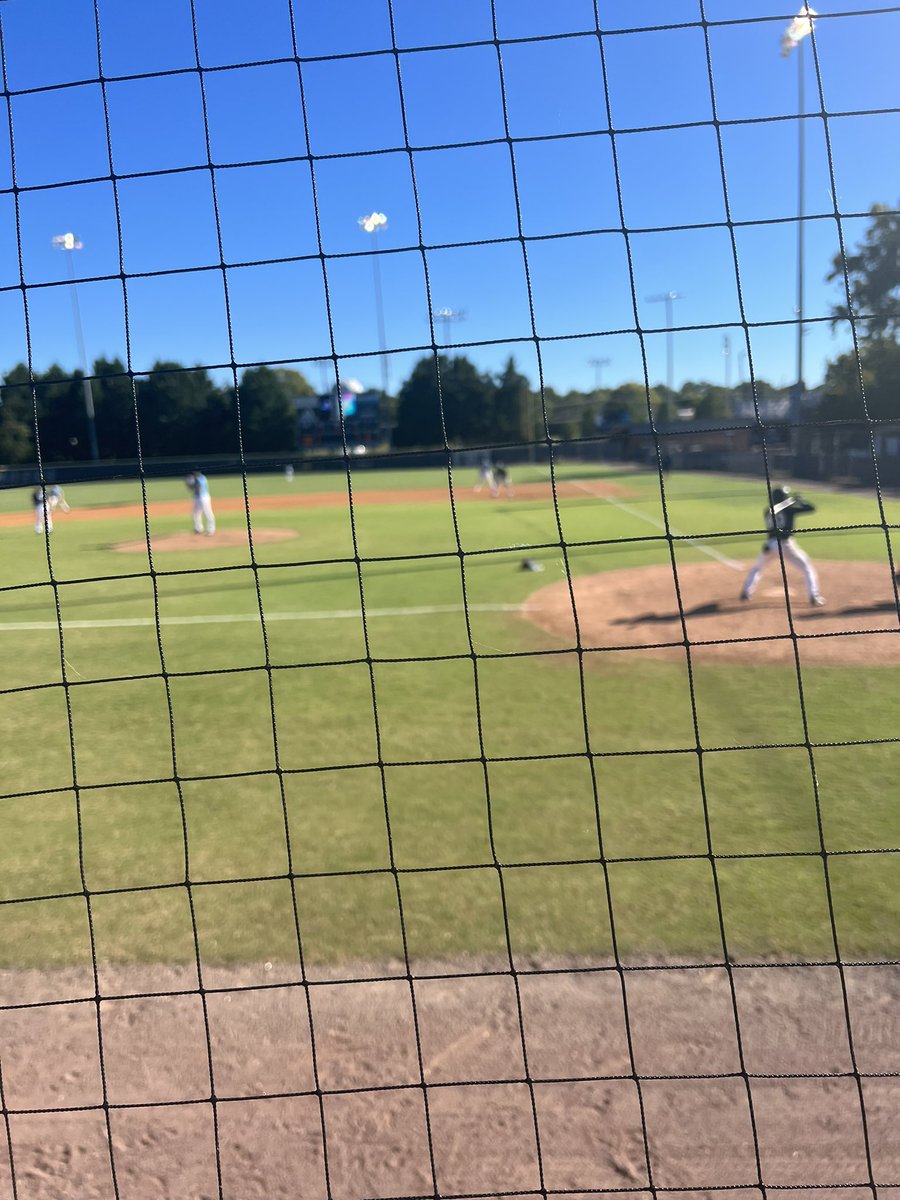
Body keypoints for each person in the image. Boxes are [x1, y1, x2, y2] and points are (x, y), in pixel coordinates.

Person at [740, 484, 824, 606]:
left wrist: (790, 501)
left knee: (757, 568)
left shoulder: (767, 511)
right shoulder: (789, 510)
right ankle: (814, 597)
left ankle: (745, 592)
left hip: (770, 545)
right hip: (786, 545)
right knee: (807, 568)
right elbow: (811, 508)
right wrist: (799, 501)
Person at [186, 470, 216, 535]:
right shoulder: (196, 478)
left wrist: (190, 484)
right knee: (196, 513)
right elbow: (192, 489)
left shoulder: (201, 478)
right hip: (197, 497)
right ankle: (198, 528)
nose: (194, 473)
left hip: (203, 498)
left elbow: (197, 488)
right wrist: (189, 485)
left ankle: (211, 530)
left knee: (207, 513)